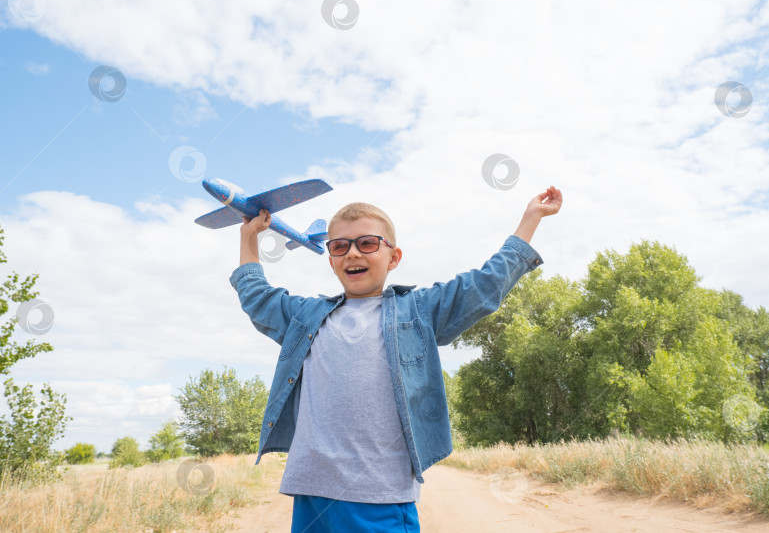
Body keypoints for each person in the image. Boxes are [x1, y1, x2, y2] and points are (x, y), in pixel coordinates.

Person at [230, 186, 563, 532]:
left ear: (393, 257)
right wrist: (249, 235)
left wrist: (530, 219)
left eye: (367, 243)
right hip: (311, 494)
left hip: (380, 497)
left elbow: (483, 285)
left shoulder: (419, 310)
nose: (352, 253)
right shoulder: (305, 316)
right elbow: (257, 297)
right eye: (340, 246)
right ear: (330, 260)